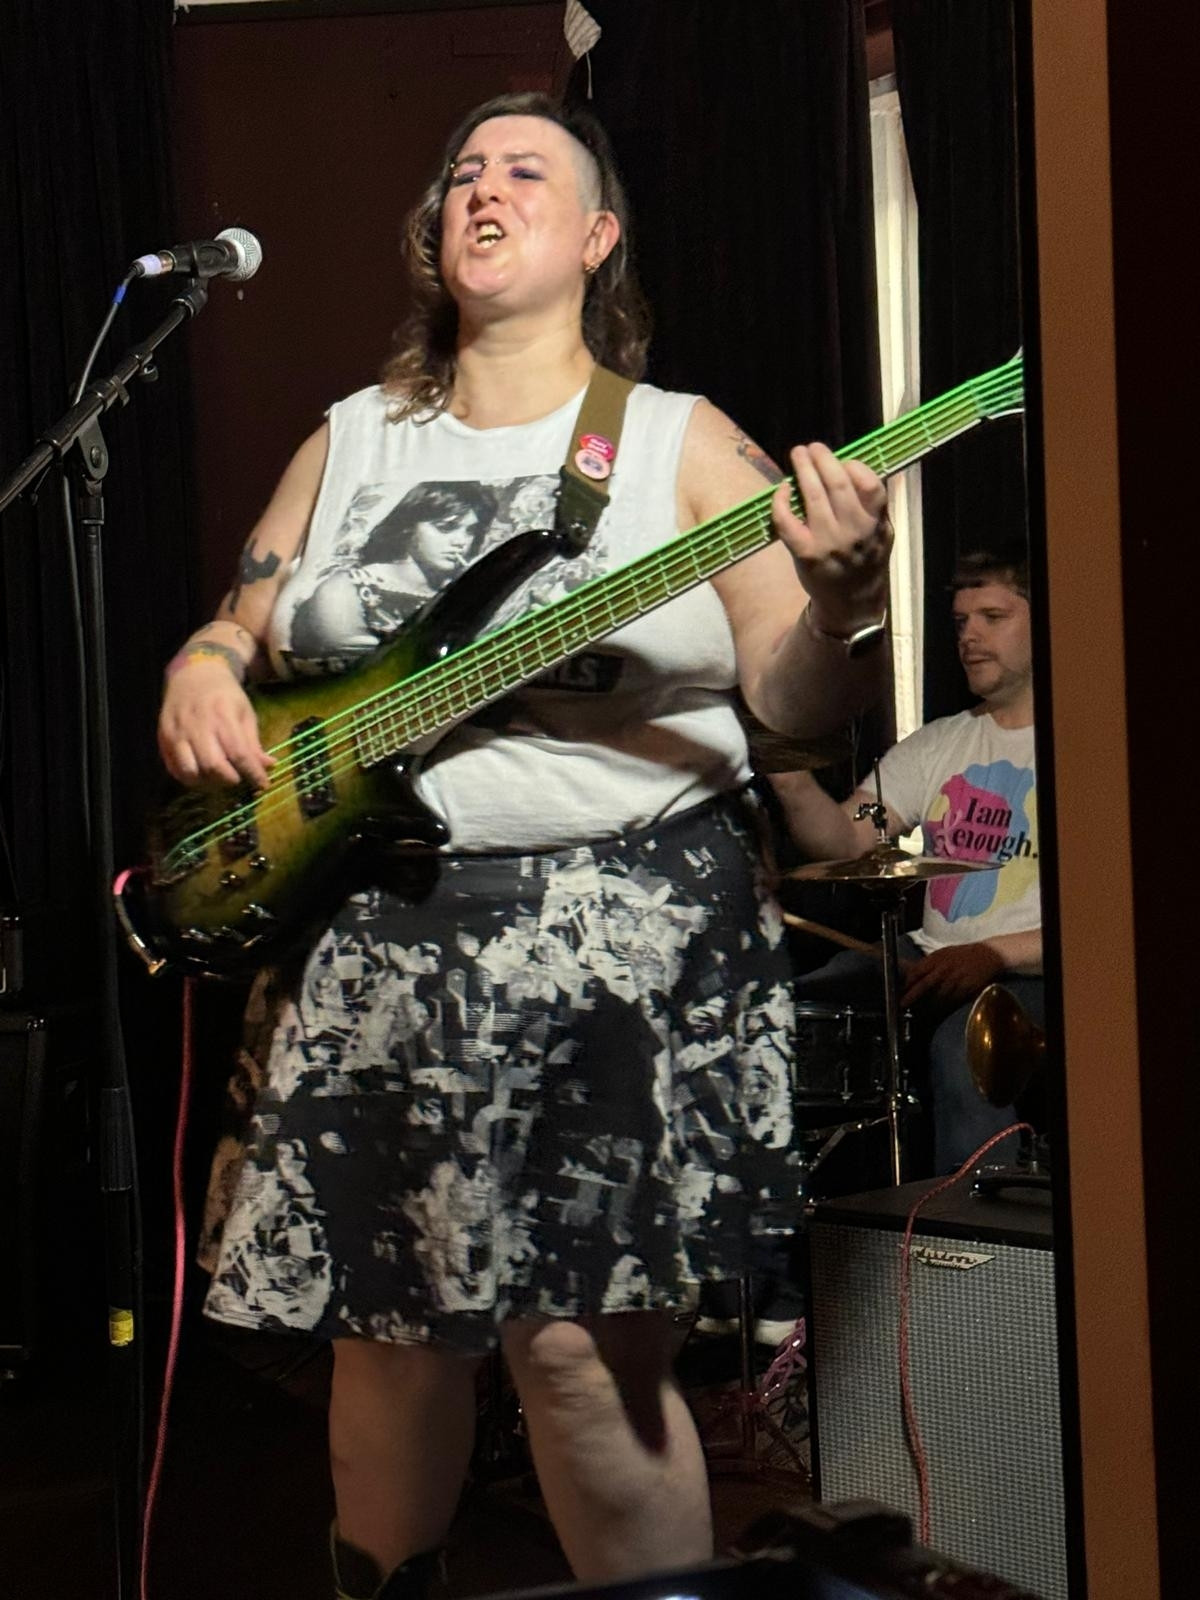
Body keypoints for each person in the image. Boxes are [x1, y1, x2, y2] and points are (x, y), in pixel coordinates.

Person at [158, 92, 892, 1600]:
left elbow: (798, 715)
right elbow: (248, 616)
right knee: (386, 1346)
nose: (484, 189)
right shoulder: (349, 439)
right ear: (434, 231)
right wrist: (205, 660)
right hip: (373, 938)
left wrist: (841, 604)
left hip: (609, 942)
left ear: (598, 236)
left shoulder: (679, 444)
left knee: (574, 1353)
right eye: (462, 175)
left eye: (527, 171)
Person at [770, 547, 1042, 1173]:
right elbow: (850, 839)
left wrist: (994, 954)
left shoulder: (1086, 741)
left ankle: (976, 1250)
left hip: (1035, 969)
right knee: (795, 1012)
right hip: (929, 954)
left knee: (964, 1046)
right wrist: (789, 778)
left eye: (993, 616)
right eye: (960, 620)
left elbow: (1112, 923)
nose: (969, 635)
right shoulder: (940, 743)